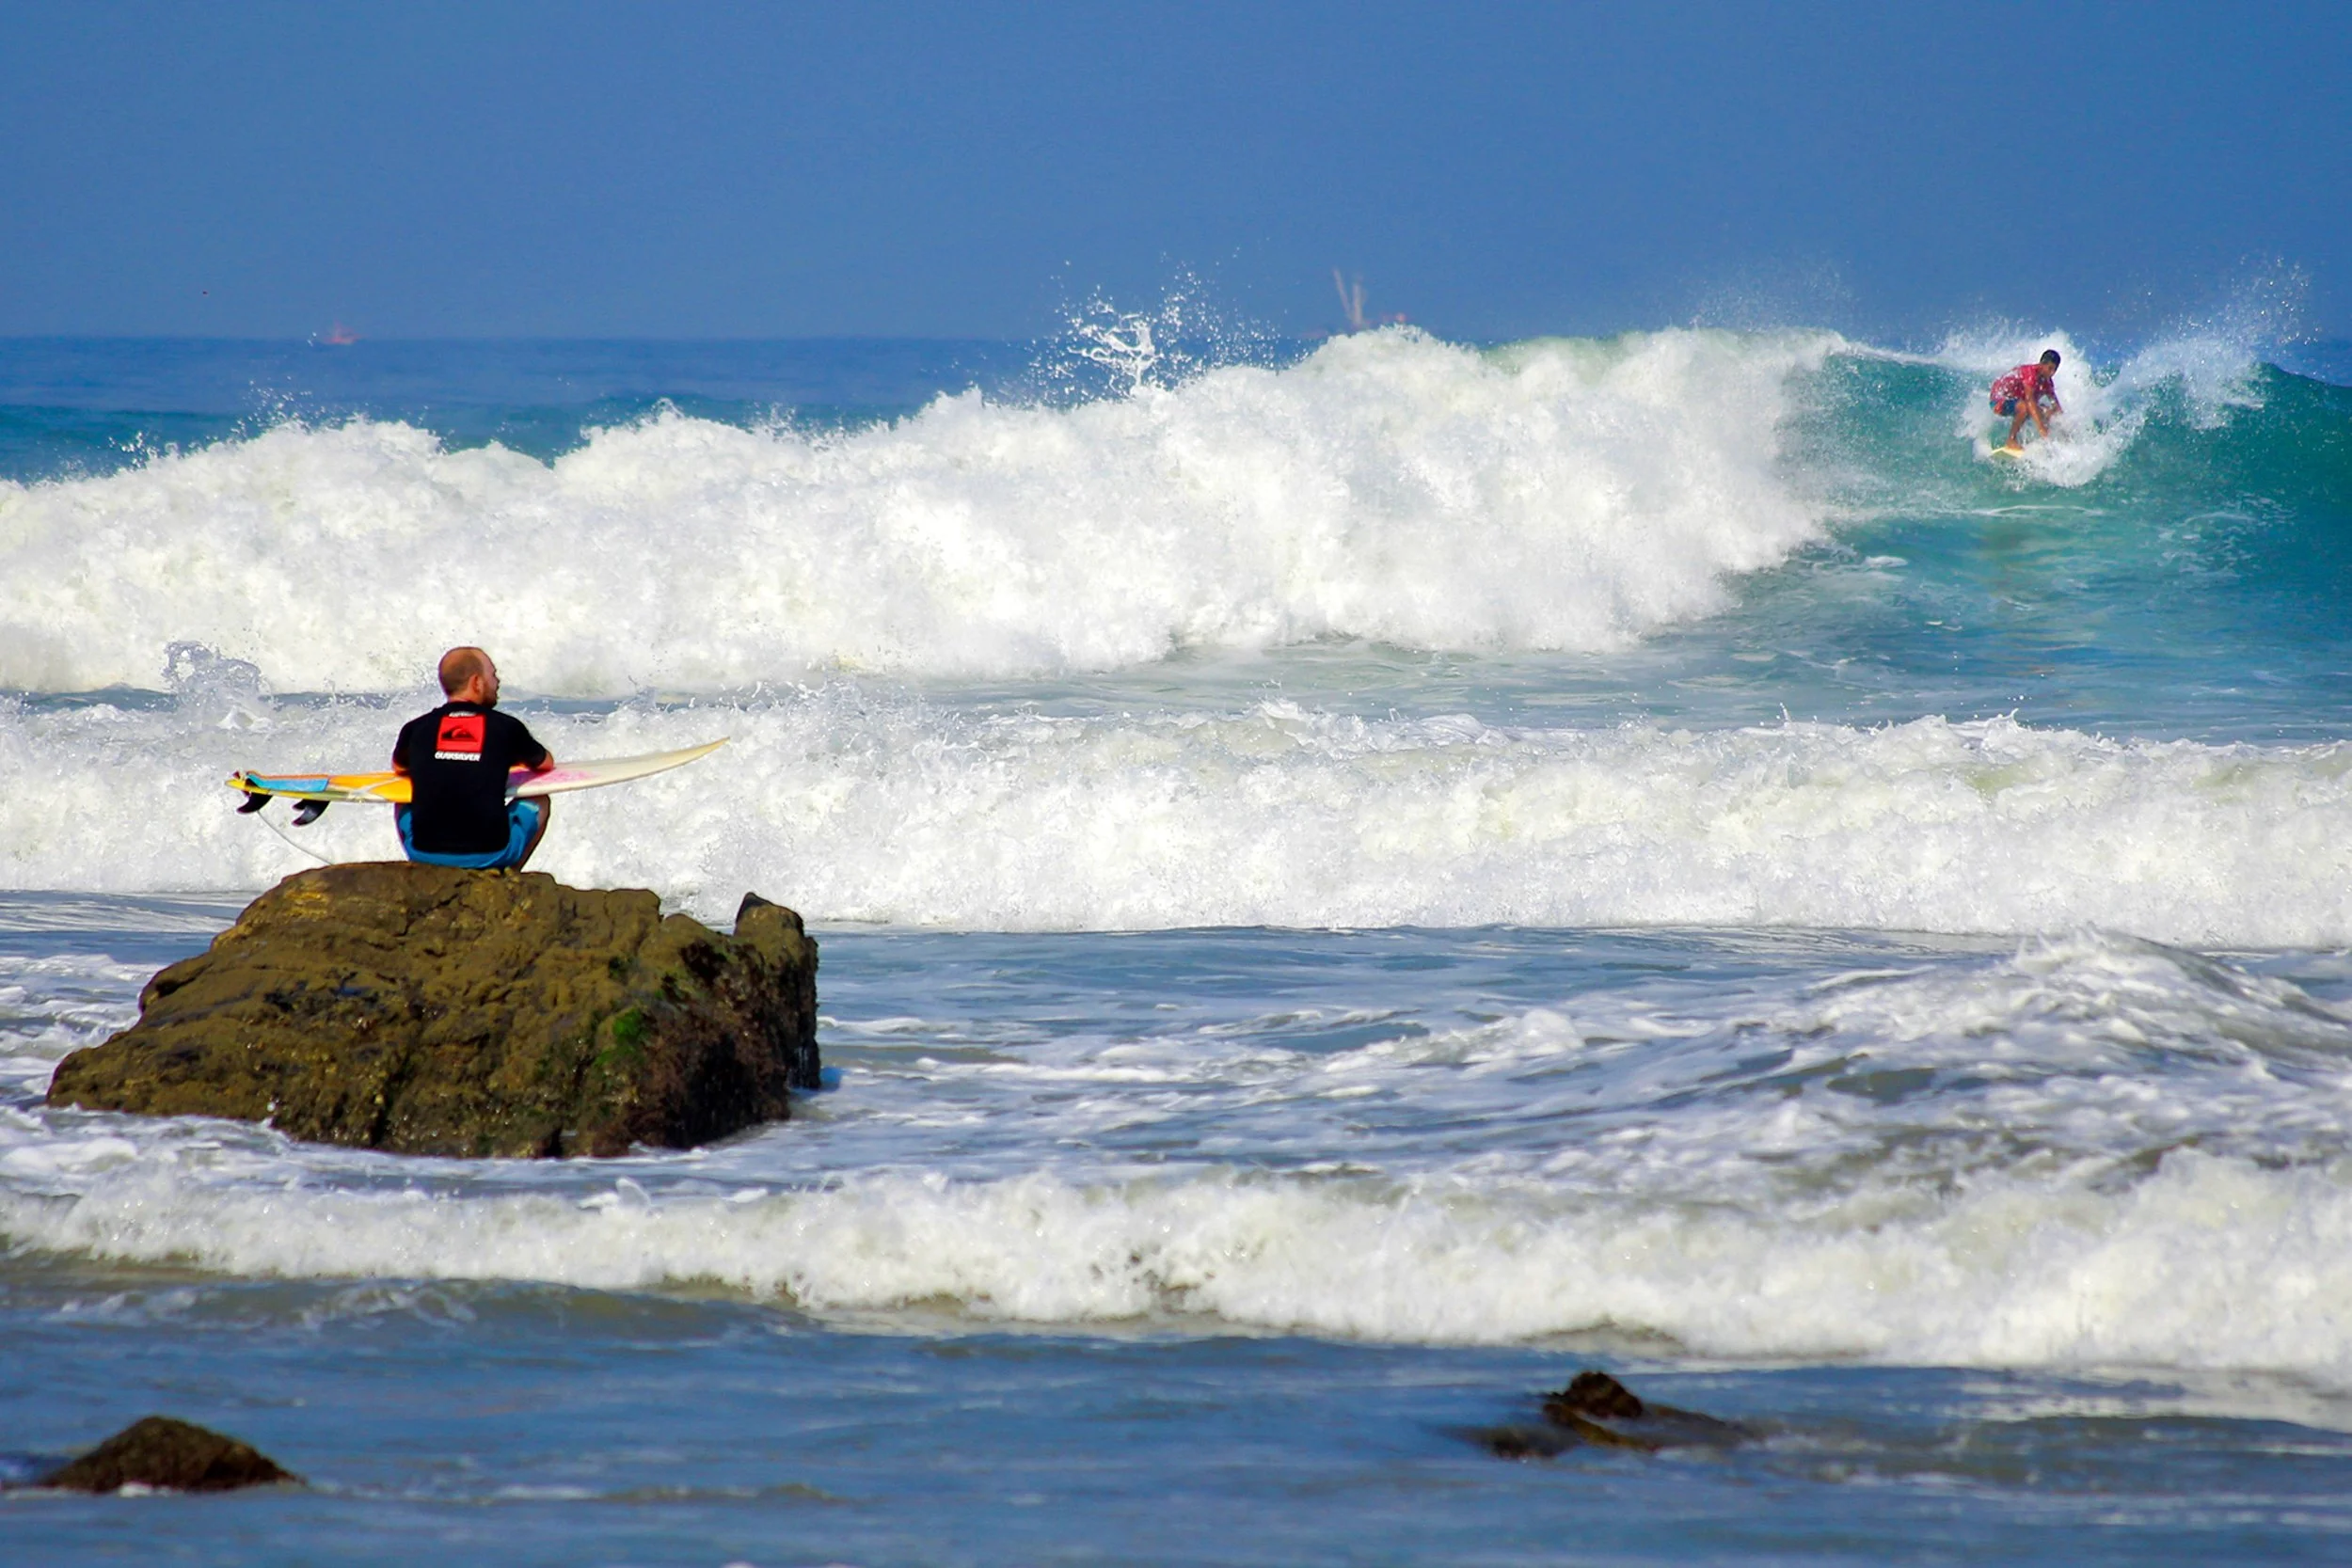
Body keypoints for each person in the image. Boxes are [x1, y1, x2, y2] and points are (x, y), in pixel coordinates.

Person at [390, 646, 554, 870]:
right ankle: (508, 875)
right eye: (493, 675)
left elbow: (399, 768)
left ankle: (423, 868)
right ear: (477, 682)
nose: (497, 683)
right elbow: (545, 763)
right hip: (491, 853)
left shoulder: (416, 728)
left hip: (422, 851)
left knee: (402, 797)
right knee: (540, 799)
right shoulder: (506, 727)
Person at [1989, 350, 2063, 452]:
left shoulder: (2047, 382)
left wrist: (2065, 429)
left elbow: (2057, 408)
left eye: (2055, 370)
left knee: (2047, 412)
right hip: (1998, 401)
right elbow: (2029, 400)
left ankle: (2045, 442)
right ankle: (2011, 440)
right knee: (2024, 407)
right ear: (2042, 364)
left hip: (2017, 402)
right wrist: (2041, 428)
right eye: (2050, 368)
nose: (2052, 373)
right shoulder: (2030, 373)